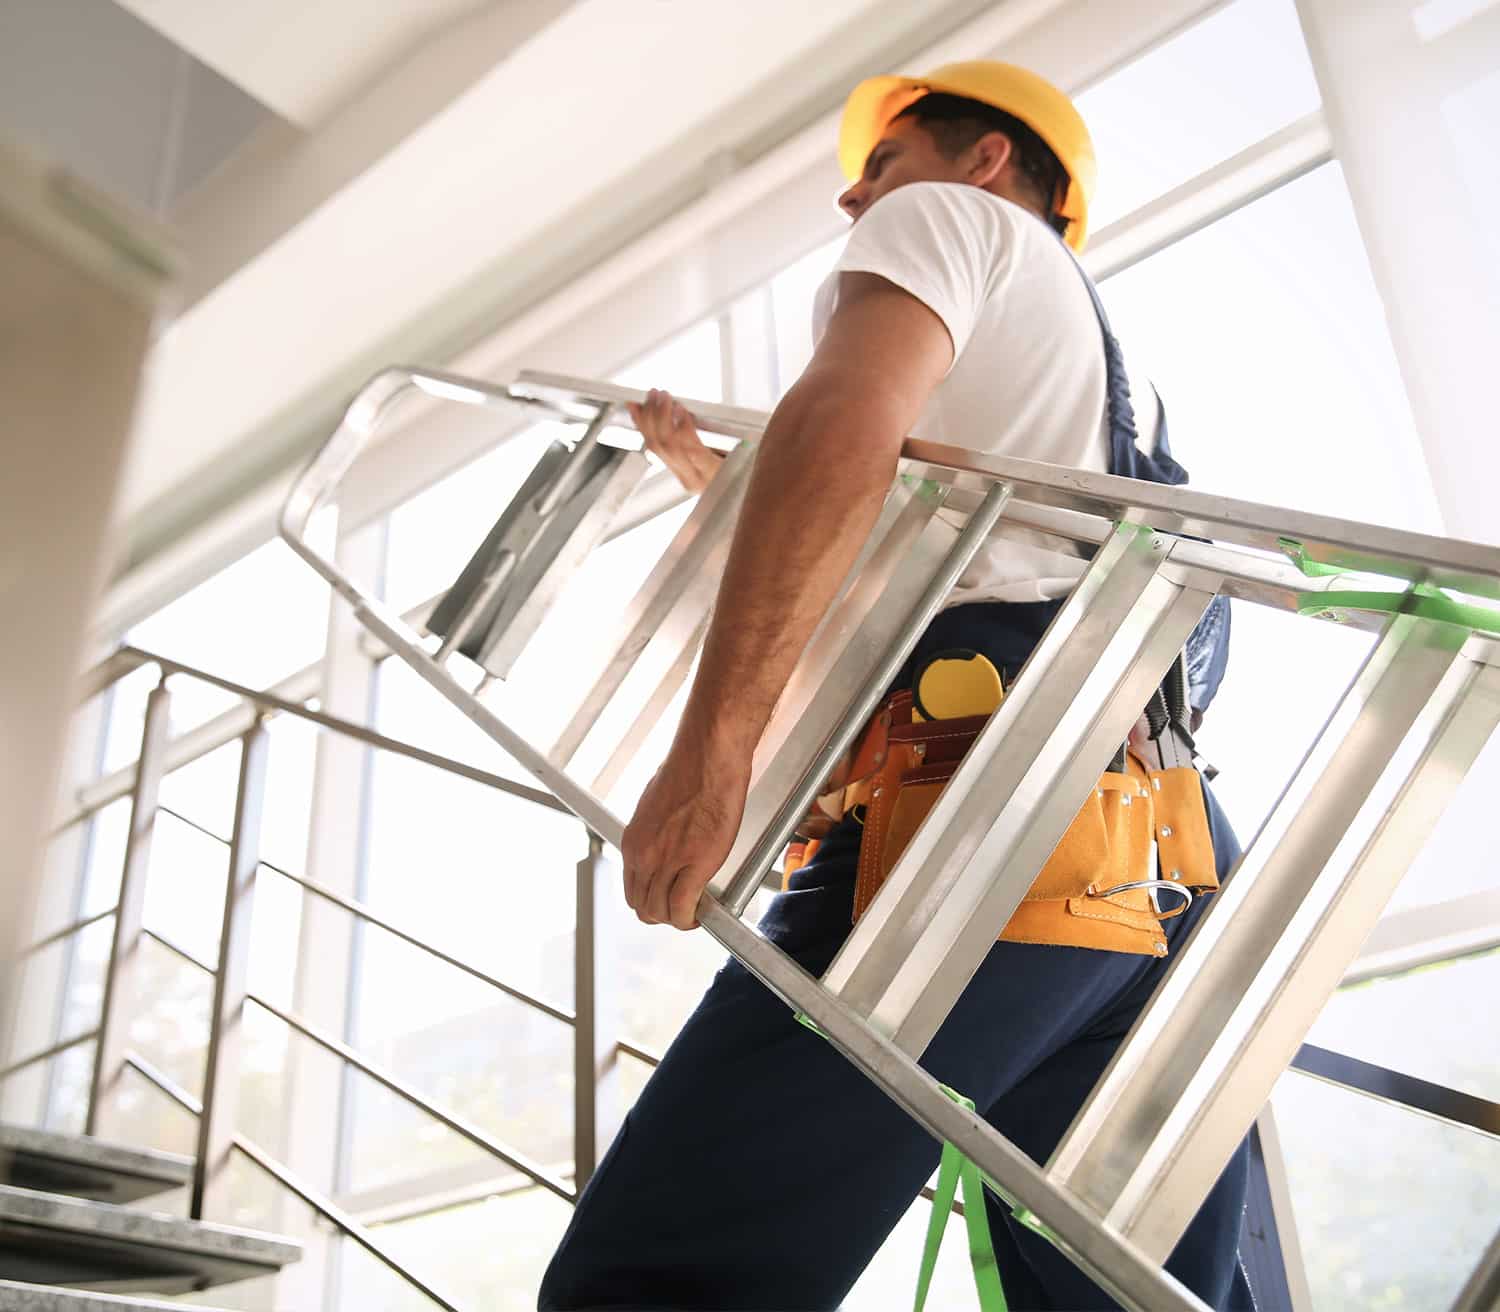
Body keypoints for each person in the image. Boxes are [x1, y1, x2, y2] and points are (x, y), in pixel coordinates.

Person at [538, 61, 1253, 1311]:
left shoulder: (949, 223)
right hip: (1156, 847)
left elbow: (843, 429)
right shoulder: (1109, 379)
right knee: (1118, 1294)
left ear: (985, 163)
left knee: (663, 1279)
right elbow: (951, 548)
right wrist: (725, 490)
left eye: (884, 160)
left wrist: (713, 758)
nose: (855, 194)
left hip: (988, 802)